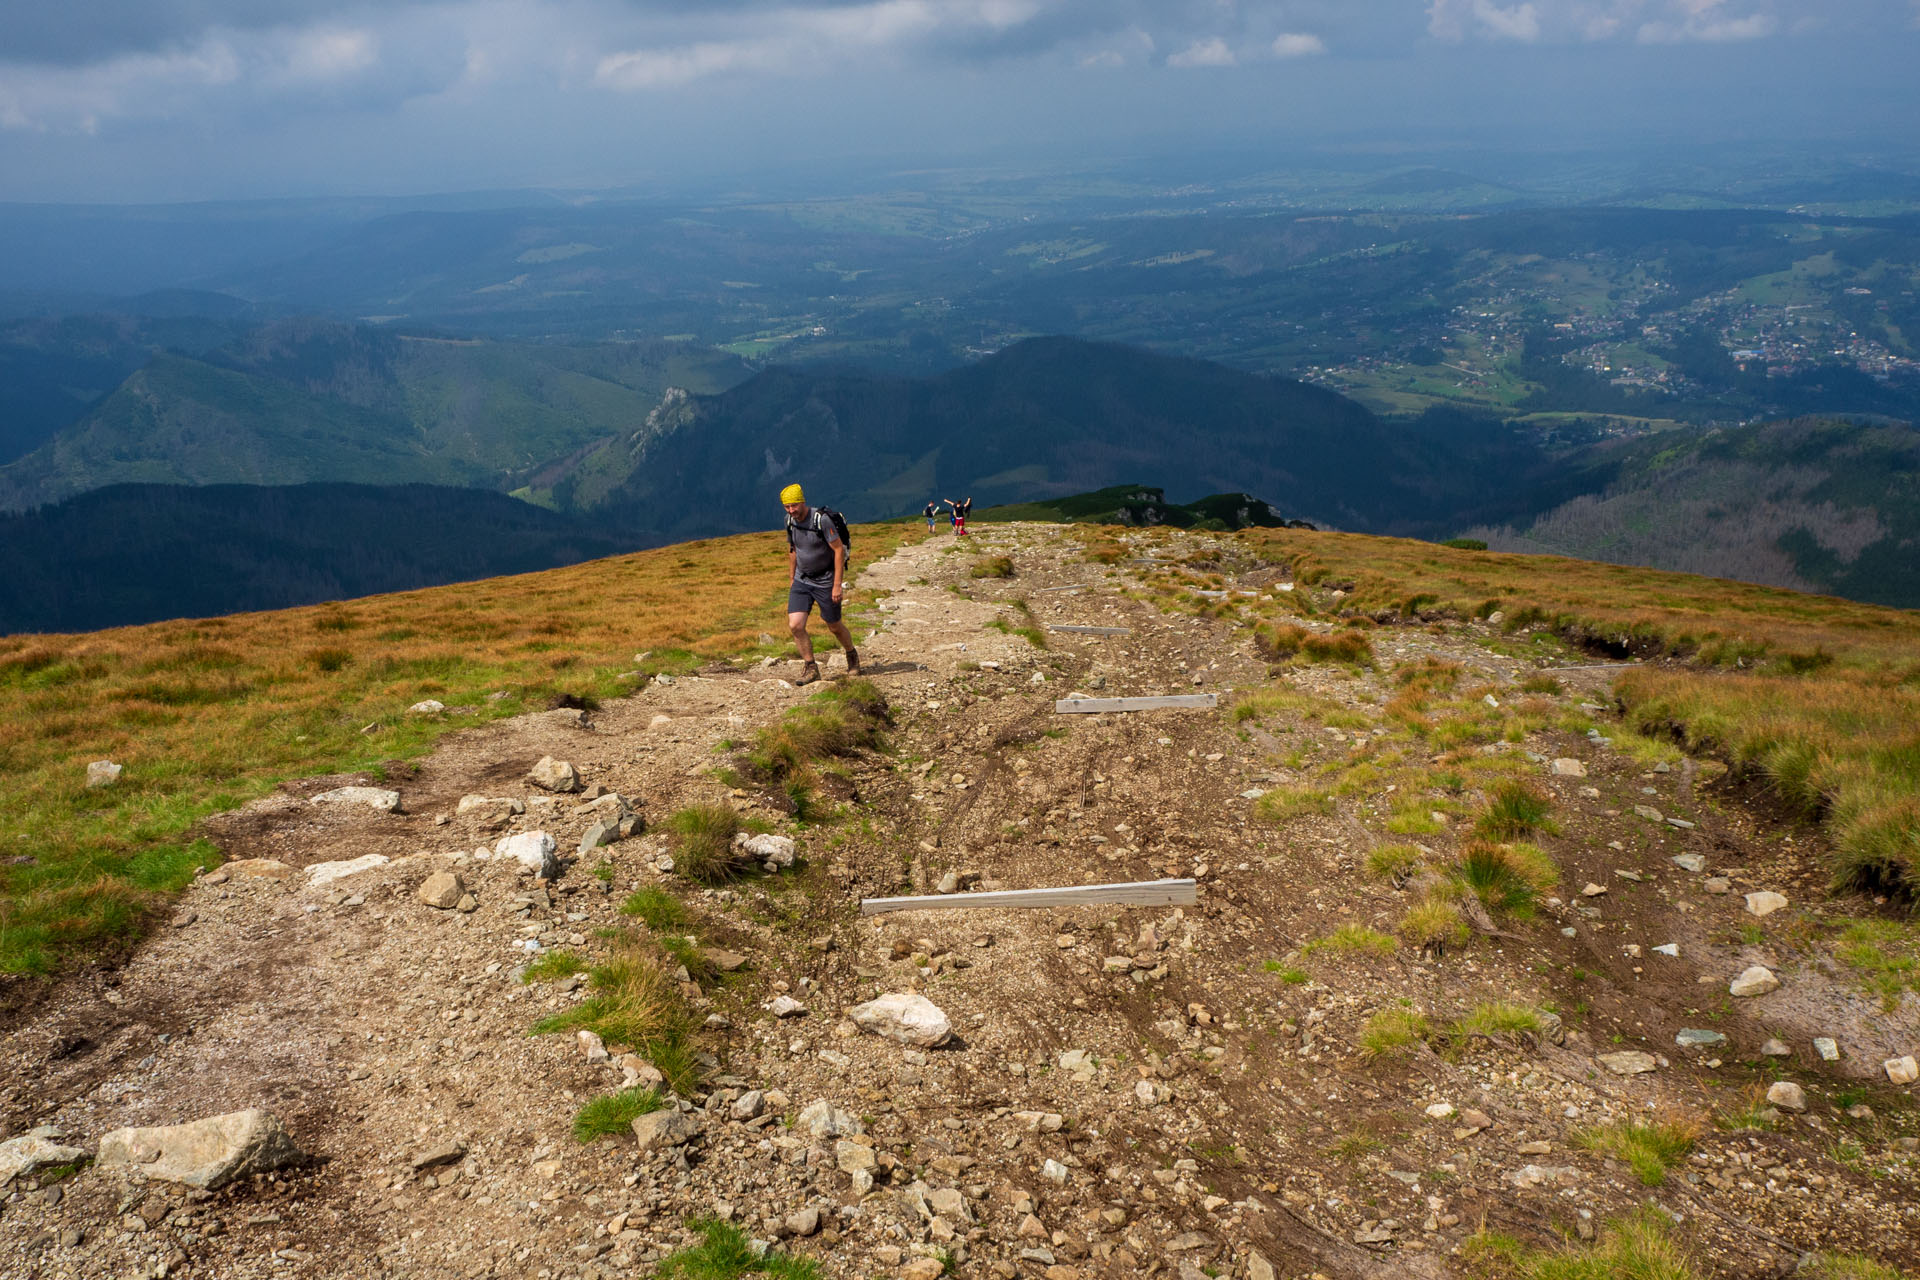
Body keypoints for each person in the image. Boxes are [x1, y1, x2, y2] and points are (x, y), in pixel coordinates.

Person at [780, 483, 858, 685]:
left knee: (834, 626)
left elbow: (838, 550)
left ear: (802, 501)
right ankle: (811, 667)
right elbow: (793, 550)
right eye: (787, 507)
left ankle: (851, 654)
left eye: (794, 506)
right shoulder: (790, 521)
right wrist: (791, 579)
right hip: (802, 579)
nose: (791, 511)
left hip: (825, 581)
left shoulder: (821, 520)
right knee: (796, 625)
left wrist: (837, 585)